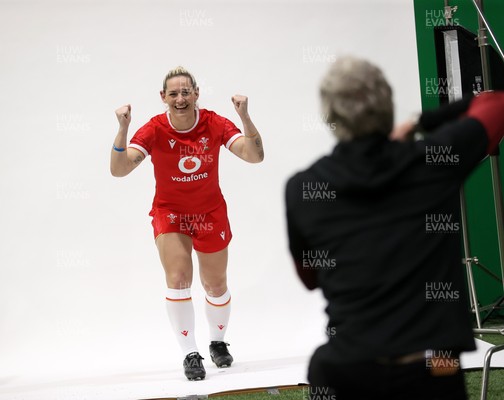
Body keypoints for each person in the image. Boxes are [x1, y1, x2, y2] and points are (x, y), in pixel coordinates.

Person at [285, 55, 504, 399]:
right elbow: (495, 103)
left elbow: (310, 277)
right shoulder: (432, 160)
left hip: (345, 368)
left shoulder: (302, 188)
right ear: (387, 106)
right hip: (433, 367)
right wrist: (419, 121)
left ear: (330, 116)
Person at [111, 66, 264, 380]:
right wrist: (123, 128)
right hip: (171, 214)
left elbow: (254, 156)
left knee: (215, 285)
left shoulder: (215, 123)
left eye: (185, 92)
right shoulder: (153, 129)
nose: (180, 98)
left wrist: (245, 116)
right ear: (163, 97)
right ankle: (190, 354)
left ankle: (218, 343)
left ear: (196, 94)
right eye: (173, 93)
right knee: (178, 278)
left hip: (210, 214)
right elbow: (119, 169)